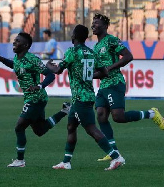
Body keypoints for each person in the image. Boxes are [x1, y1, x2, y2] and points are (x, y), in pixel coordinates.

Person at [0, 32, 70, 167]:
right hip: (32, 98)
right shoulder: (18, 58)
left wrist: (39, 86)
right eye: (14, 40)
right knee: (40, 130)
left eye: (17, 41)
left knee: (19, 127)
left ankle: (20, 160)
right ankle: (64, 111)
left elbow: (50, 76)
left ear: (25, 45)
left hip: (36, 98)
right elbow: (14, 65)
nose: (14, 42)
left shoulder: (32, 60)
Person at [46, 24, 125, 171]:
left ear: (74, 37)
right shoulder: (90, 52)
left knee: (91, 129)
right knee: (71, 126)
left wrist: (49, 66)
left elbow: (57, 70)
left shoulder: (72, 51)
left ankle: (116, 157)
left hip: (81, 98)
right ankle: (66, 162)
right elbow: (104, 72)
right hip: (85, 96)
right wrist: (88, 76)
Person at [91, 13, 164, 161]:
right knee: (101, 115)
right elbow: (101, 72)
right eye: (92, 22)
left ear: (105, 26)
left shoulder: (111, 40)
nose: (93, 25)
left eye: (97, 23)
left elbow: (128, 56)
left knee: (118, 117)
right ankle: (114, 152)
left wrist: (110, 68)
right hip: (104, 85)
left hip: (115, 83)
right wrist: (88, 76)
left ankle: (151, 114)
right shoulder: (96, 46)